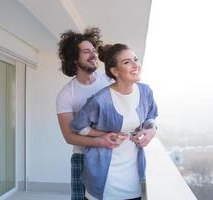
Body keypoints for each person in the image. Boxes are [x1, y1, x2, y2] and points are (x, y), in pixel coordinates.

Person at [71, 43, 158, 200]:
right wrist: (103, 135)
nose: (135, 65)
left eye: (135, 59)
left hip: (134, 181)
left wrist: (151, 130)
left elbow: (151, 116)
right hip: (105, 181)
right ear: (115, 71)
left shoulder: (145, 92)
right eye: (127, 62)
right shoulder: (100, 100)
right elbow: (78, 127)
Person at [56, 28, 127, 200]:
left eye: (93, 51)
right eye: (87, 52)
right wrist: (100, 141)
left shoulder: (110, 82)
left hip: (114, 155)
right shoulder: (66, 94)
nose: (93, 55)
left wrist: (151, 126)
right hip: (82, 158)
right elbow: (69, 136)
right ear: (74, 59)